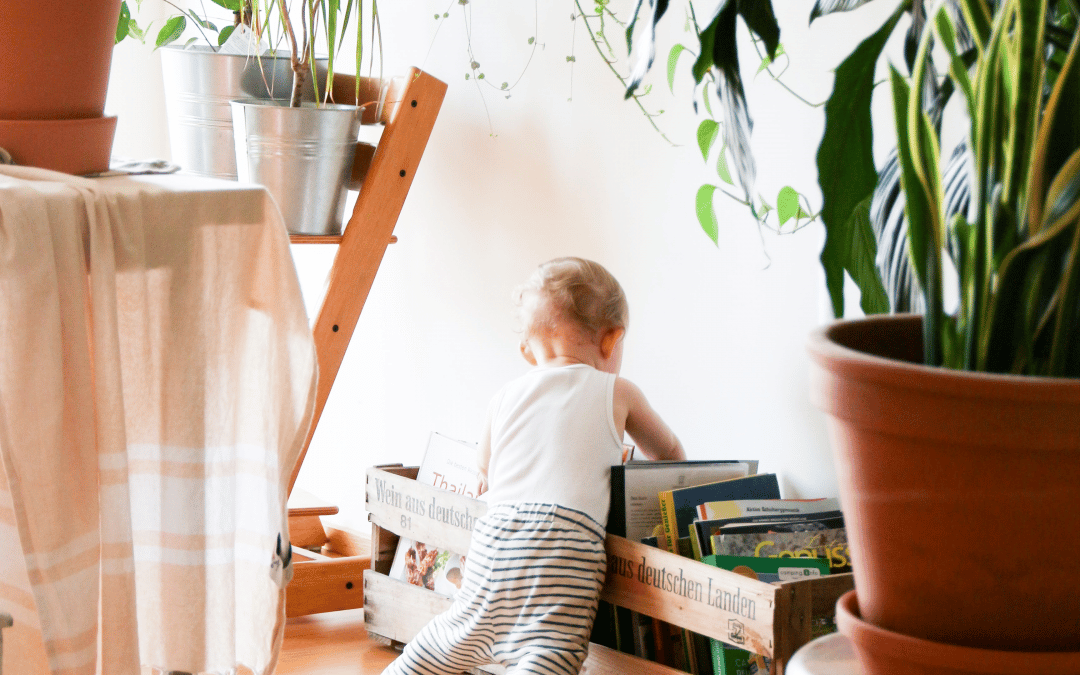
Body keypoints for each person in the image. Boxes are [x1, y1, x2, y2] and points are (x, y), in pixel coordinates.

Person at [382, 257, 685, 675]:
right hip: (565, 545)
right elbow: (668, 453)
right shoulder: (618, 390)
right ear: (612, 340)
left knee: (461, 632)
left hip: (497, 538)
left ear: (528, 351)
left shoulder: (504, 396)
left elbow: (484, 470)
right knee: (548, 648)